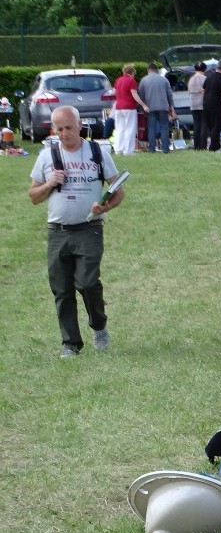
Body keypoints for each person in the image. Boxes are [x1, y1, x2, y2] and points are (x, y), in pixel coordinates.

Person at [28, 106, 124, 359]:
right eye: (59, 129)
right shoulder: (47, 156)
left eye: (69, 127)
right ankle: (70, 343)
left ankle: (99, 325)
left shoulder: (97, 153)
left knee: (88, 283)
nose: (64, 133)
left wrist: (105, 206)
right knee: (62, 289)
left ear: (80, 125)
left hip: (89, 228)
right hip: (58, 232)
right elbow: (33, 196)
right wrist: (50, 183)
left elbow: (118, 191)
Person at [137, 62, 176, 153]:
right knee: (164, 127)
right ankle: (165, 148)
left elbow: (141, 95)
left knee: (151, 127)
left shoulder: (144, 80)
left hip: (150, 107)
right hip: (163, 107)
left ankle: (152, 148)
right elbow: (169, 95)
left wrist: (142, 107)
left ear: (148, 70)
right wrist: (171, 106)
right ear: (157, 70)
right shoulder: (164, 80)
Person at [112, 64, 144, 156]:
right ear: (132, 72)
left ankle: (118, 149)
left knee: (119, 129)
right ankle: (128, 150)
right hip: (129, 107)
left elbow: (114, 92)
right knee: (130, 128)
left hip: (119, 107)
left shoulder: (118, 80)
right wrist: (143, 104)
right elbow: (134, 94)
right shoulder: (131, 80)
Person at [202, 59, 221, 152]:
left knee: (210, 126)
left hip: (206, 104)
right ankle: (214, 146)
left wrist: (205, 99)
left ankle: (213, 144)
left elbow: (202, 90)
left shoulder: (209, 77)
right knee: (217, 126)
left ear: (217, 67)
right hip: (217, 105)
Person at [188, 61, 207, 150]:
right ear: (205, 69)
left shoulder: (191, 79)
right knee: (204, 124)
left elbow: (189, 91)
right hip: (202, 103)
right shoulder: (205, 78)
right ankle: (203, 145)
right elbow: (206, 91)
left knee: (196, 124)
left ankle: (196, 145)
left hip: (193, 103)